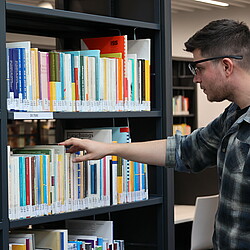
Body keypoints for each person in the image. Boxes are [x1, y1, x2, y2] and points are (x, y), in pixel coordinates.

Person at [59, 19, 250, 249]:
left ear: (227, 66)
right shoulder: (232, 115)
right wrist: (110, 148)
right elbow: (184, 150)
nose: (195, 78)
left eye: (199, 68)